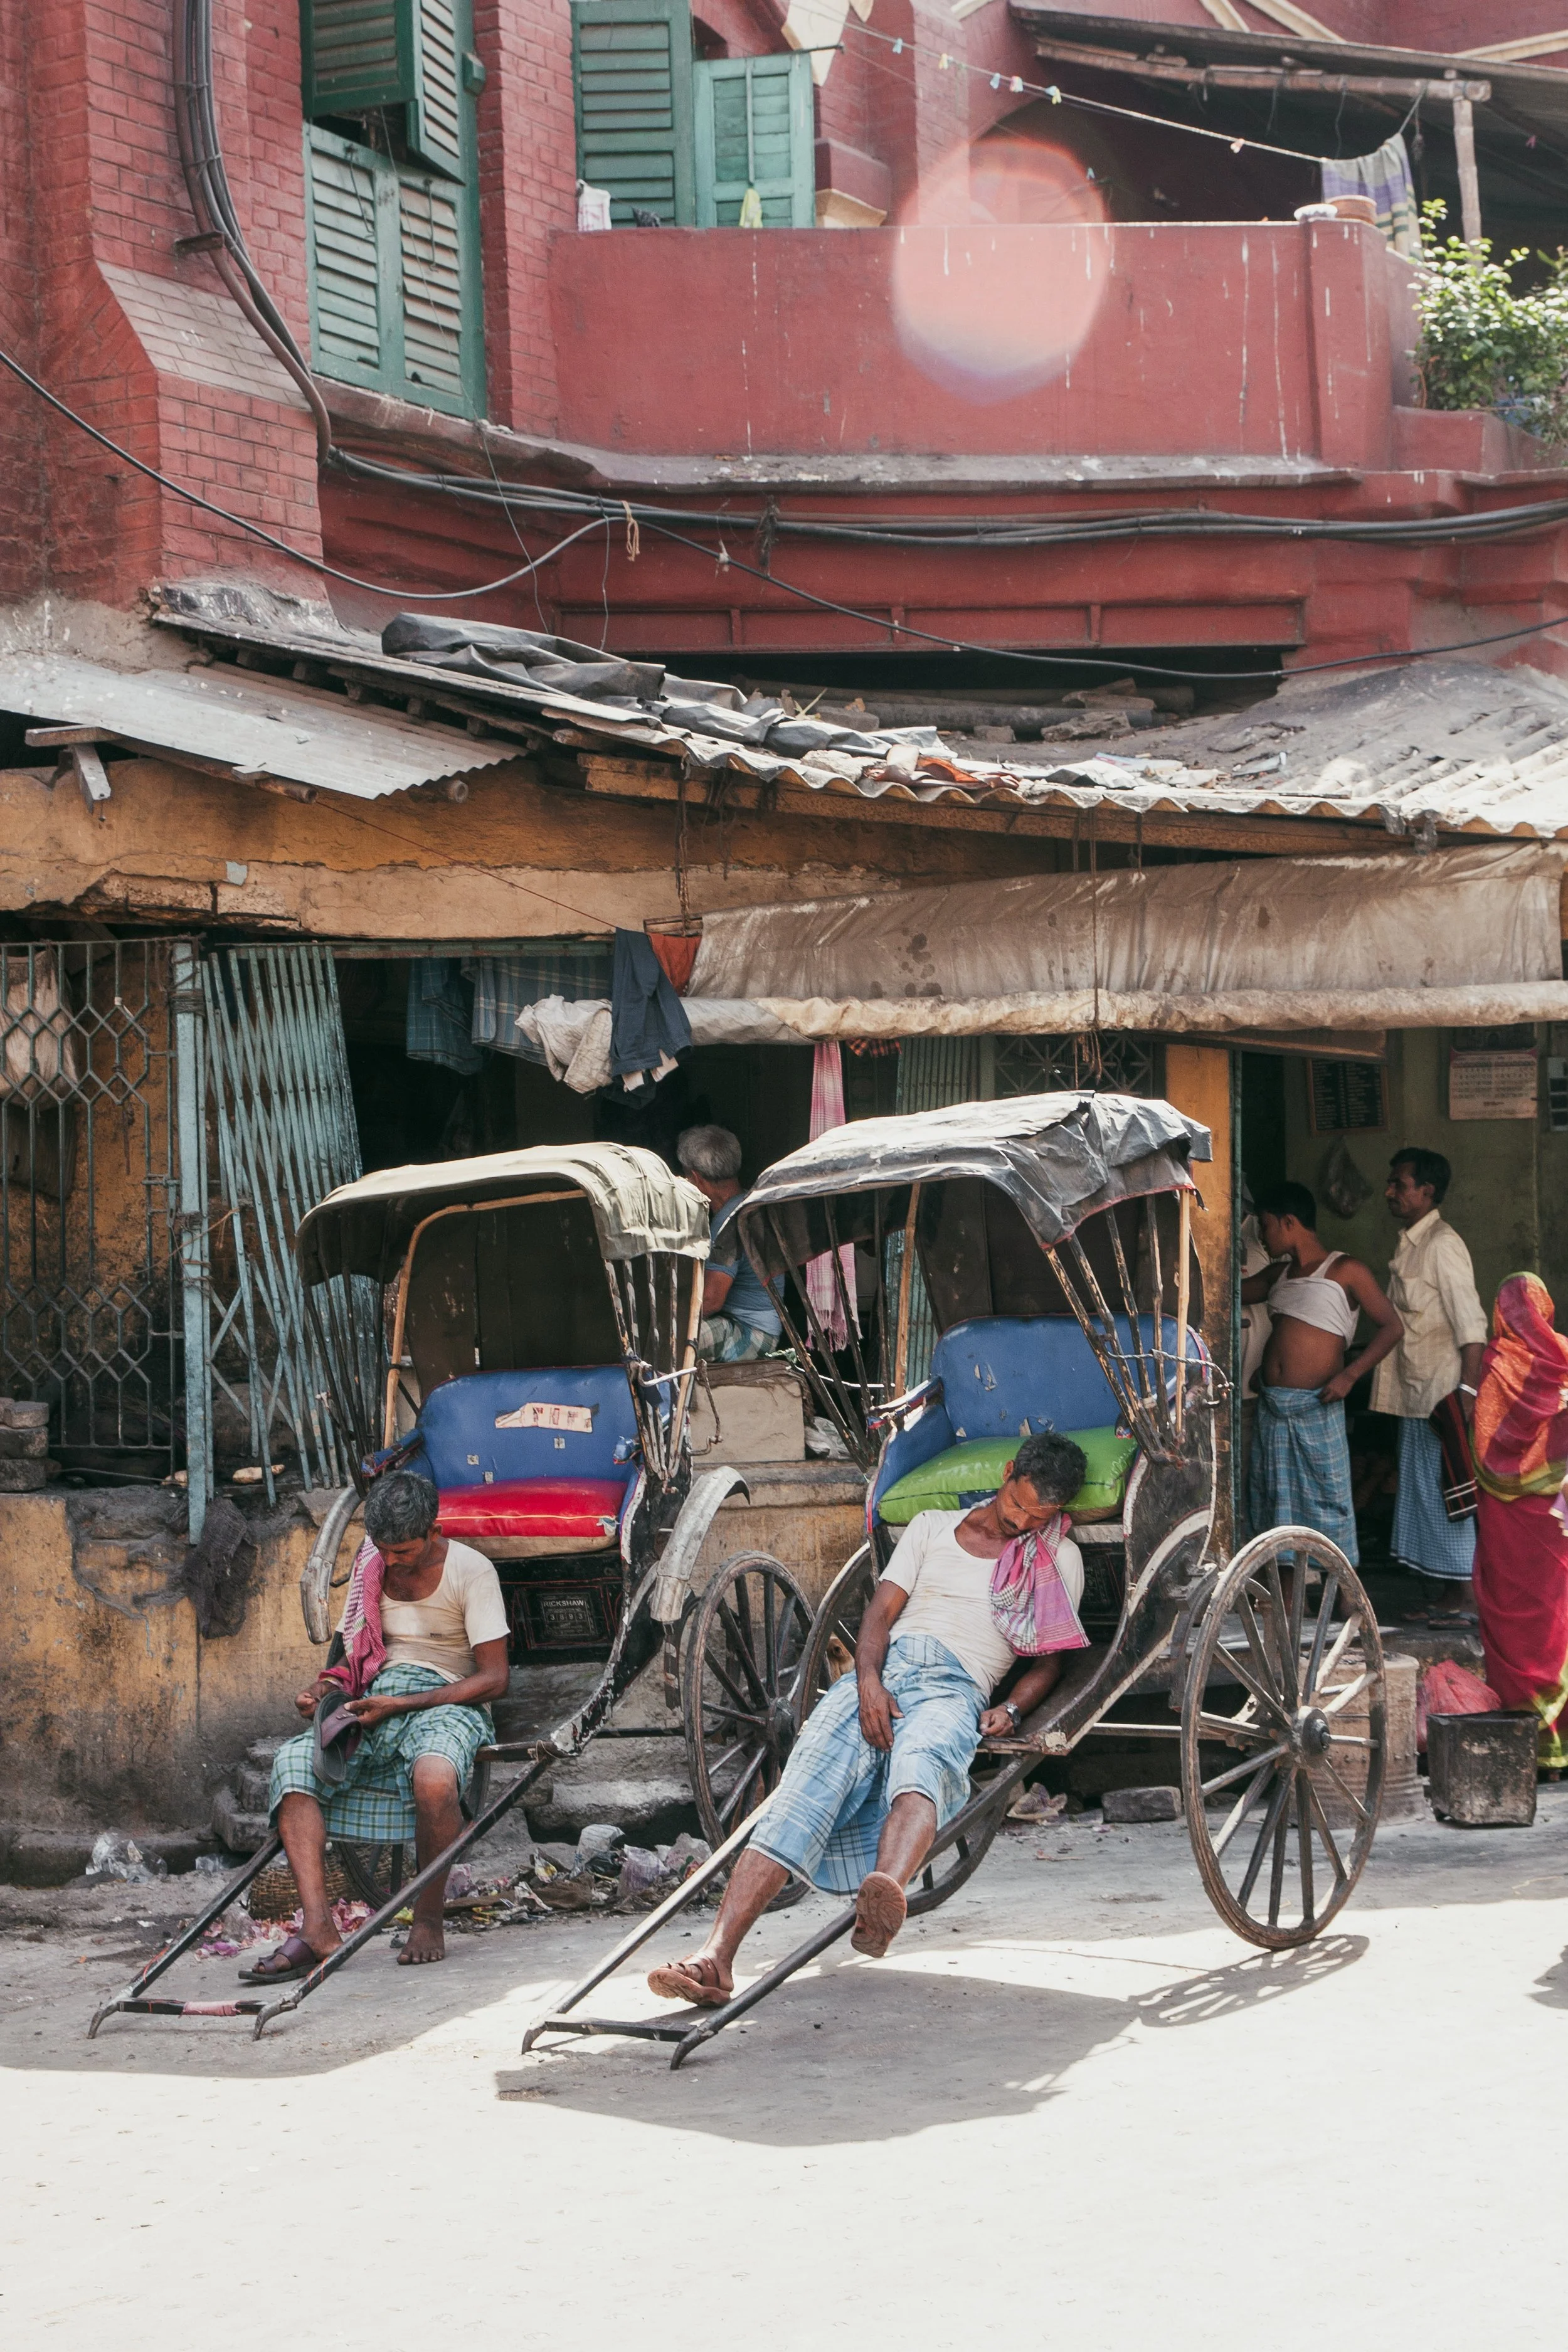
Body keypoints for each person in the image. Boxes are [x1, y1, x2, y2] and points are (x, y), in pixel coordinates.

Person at [645, 1432, 1088, 2006]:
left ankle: (884, 1894)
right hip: (888, 1667)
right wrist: (869, 1682)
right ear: (1007, 1473)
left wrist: (1010, 1707)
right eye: (1018, 1503)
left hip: (957, 1686)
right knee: (805, 1785)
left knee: (923, 1762)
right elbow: (879, 1615)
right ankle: (716, 1959)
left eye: (1039, 1515)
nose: (1023, 1521)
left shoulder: (1057, 1557)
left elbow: (1050, 1660)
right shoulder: (931, 1527)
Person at [242, 1471, 509, 1983]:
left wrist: (405, 1703)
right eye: (384, 1549)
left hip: (447, 1698)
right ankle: (318, 1926)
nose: (390, 1562)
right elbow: (348, 1656)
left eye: (403, 1551)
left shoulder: (472, 1572)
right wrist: (323, 1691)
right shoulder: (371, 1562)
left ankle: (428, 1920)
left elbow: (495, 1679)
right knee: (294, 1761)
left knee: (434, 1780)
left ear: (434, 1532)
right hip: (377, 1694)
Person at [1242, 1180, 1402, 1562]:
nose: (1262, 1236)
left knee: (1327, 1499)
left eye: (1265, 1225)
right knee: (1273, 1501)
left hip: (1317, 1405)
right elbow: (1222, 1291)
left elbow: (1392, 1326)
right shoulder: (1277, 1275)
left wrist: (1350, 1376)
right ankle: (1286, 1600)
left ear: (1289, 1221)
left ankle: (1348, 1602)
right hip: (1274, 1407)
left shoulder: (1346, 1270)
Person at [1370, 1147, 1488, 1618]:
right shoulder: (1412, 1243)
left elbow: (1472, 1327)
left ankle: (1462, 1597)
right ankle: (1448, 1593)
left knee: (1448, 1495)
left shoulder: (1442, 1244)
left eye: (1400, 1184)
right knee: (1424, 1494)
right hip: (1416, 1394)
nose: (1390, 1192)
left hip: (1442, 1396)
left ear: (1427, 1191)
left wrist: (1468, 1392)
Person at [1470, 1273, 1568, 1769]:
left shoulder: (1497, 1362)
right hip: (1556, 1513)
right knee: (1554, 1618)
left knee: (1514, 1614)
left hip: (1509, 1516)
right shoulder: (1566, 1359)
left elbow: (1486, 1448)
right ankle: (1559, 1742)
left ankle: (1528, 1741)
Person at [677, 1123, 783, 1362]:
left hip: (751, 1335)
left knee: (671, 1337)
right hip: (756, 1329)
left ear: (695, 1178)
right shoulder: (747, 1204)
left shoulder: (730, 1221)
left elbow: (711, 1302)